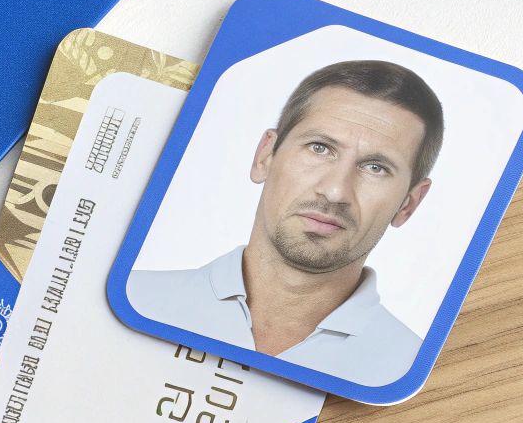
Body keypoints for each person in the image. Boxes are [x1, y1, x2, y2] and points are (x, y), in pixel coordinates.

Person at [128, 59, 444, 384]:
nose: (335, 191)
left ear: (409, 204)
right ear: (265, 156)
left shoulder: (407, 373)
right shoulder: (134, 299)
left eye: (375, 167)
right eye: (319, 148)